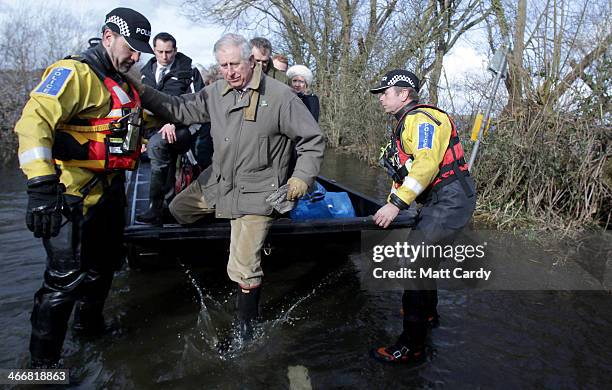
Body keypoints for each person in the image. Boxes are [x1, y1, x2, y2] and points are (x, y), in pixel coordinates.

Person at [127, 33, 325, 341]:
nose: (229, 71)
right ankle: (225, 237)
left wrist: (301, 178)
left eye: (234, 64)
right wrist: (143, 91)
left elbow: (312, 141)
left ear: (250, 61)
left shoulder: (281, 96)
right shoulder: (215, 92)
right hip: (219, 181)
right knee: (178, 210)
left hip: (258, 190)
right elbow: (179, 109)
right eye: (223, 66)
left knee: (245, 267)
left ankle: (246, 327)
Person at [14, 7, 153, 368]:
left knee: (102, 268)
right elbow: (33, 124)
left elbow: (144, 117)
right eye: (131, 47)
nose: (136, 56)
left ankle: (90, 332)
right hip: (68, 197)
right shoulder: (73, 73)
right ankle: (42, 369)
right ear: (108, 37)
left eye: (141, 50)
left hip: (108, 192)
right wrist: (41, 186)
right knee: (63, 284)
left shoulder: (123, 81)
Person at [368, 69, 476, 364]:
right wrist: (392, 201)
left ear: (403, 94)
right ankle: (426, 314)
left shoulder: (421, 120)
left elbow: (426, 165)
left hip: (450, 200)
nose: (380, 99)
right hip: (440, 200)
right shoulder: (405, 123)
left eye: (385, 93)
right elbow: (406, 172)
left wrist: (396, 205)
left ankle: (410, 346)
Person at [136, 32, 209, 226]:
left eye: (169, 52)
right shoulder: (144, 73)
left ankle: (157, 206)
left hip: (185, 128)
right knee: (155, 146)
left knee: (158, 146)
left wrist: (174, 123)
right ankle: (167, 206)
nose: (165, 56)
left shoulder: (189, 71)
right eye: (160, 51)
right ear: (154, 50)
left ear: (175, 50)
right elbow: (139, 107)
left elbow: (199, 104)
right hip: (154, 130)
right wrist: (139, 139)